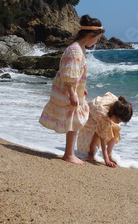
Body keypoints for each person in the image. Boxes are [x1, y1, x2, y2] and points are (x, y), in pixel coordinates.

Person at [39, 15, 105, 165]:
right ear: (90, 35)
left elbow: (75, 73)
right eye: (98, 39)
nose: (97, 42)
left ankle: (69, 153)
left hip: (71, 89)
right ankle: (68, 154)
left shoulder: (79, 48)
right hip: (67, 90)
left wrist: (82, 88)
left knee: (74, 121)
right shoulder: (75, 50)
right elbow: (69, 74)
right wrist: (72, 93)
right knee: (74, 121)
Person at [77, 92, 133, 168]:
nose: (119, 122)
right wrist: (106, 160)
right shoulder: (104, 117)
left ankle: (109, 154)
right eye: (118, 120)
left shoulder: (117, 103)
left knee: (116, 127)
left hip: (97, 112)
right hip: (87, 115)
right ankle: (91, 153)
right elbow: (101, 136)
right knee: (98, 132)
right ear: (113, 113)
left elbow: (107, 94)